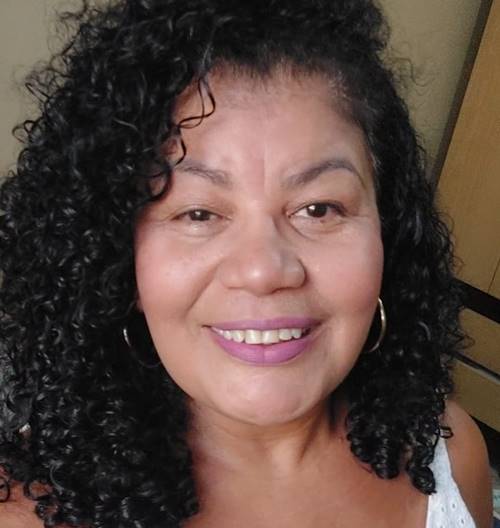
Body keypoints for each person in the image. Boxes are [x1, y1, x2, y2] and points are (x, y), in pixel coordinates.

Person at [0, 0, 493, 526]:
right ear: (117, 260)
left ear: (385, 233)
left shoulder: (449, 450)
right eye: (198, 213)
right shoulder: (30, 514)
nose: (263, 271)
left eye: (318, 209)